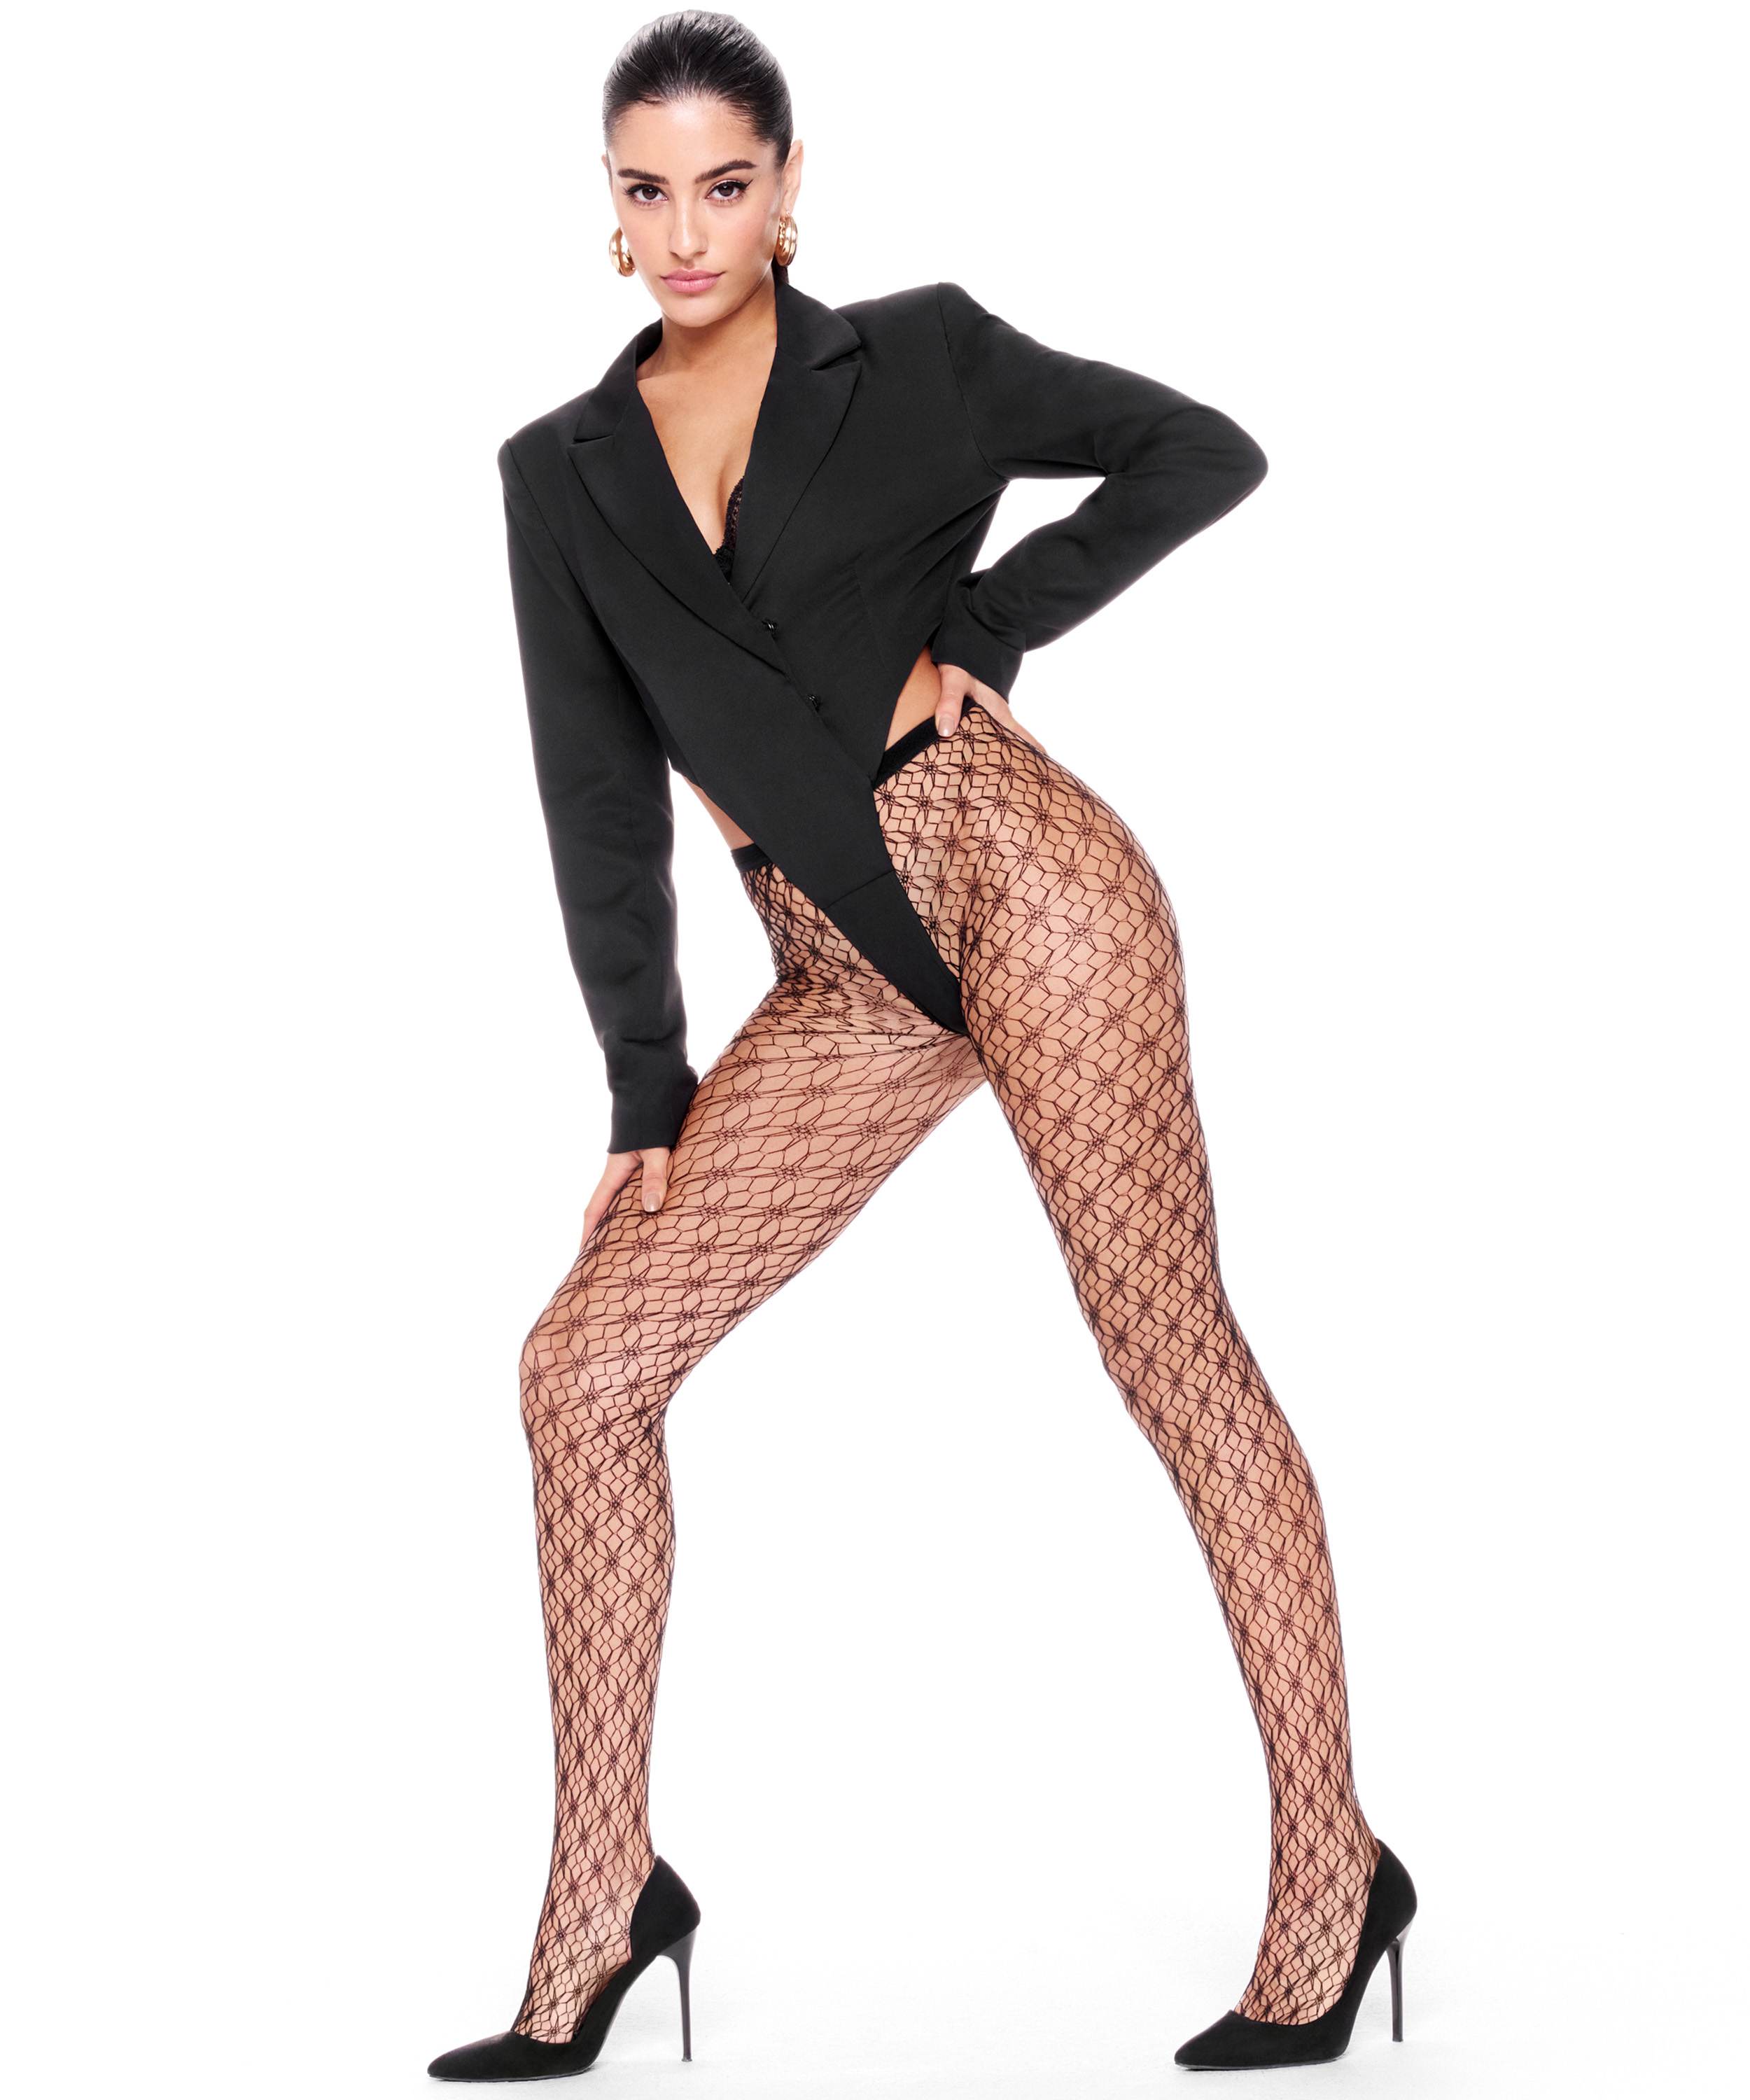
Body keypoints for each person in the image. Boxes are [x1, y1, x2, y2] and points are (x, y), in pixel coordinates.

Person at [428, 9, 1415, 2081]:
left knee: (1170, 1358)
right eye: (645, 190)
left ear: (788, 191)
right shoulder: (558, 477)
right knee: (581, 1371)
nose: (685, 231)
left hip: (1028, 883)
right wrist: (643, 1086)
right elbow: (596, 798)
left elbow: (1201, 448)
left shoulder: (924, 356)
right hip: (842, 972)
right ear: (605, 208)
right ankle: (603, 1894)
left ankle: (1333, 1871)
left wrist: (988, 624)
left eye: (723, 186)